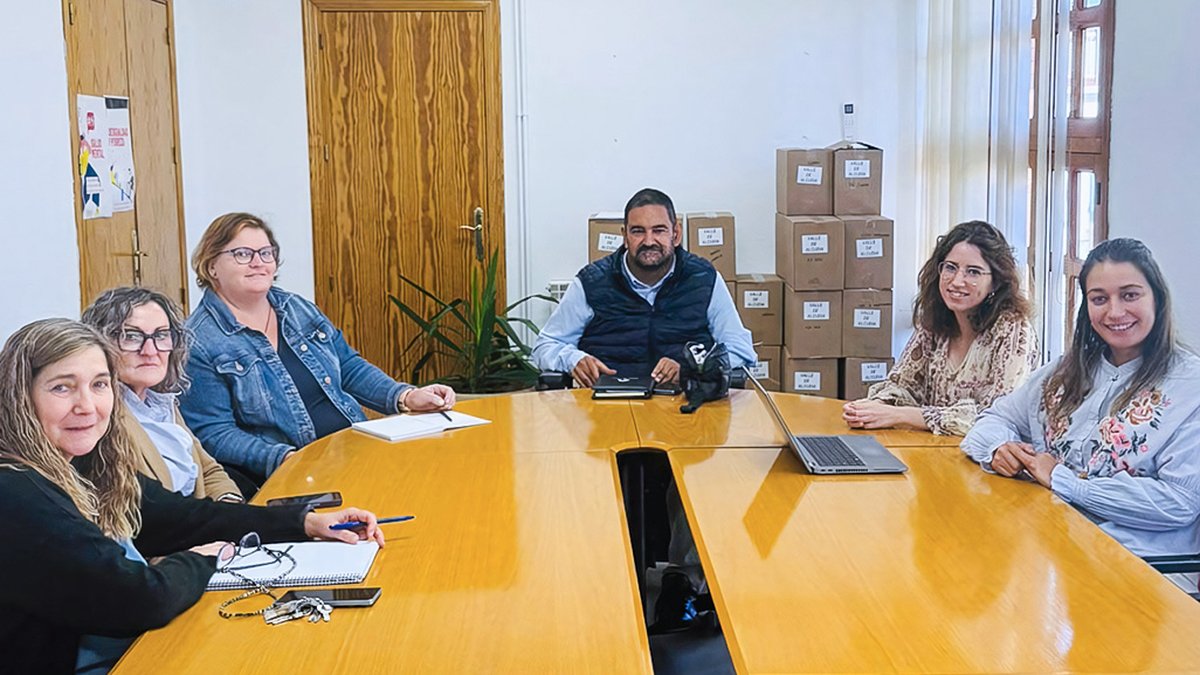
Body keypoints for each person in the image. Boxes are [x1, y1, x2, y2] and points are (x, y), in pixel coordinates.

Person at [0, 319, 385, 675]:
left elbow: (183, 517)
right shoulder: (16, 491)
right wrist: (201, 560)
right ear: (20, 397)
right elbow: (140, 599)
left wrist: (304, 522)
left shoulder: (84, 464)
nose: (87, 406)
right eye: (62, 388)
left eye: (99, 385)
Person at [962, 238, 1200, 559]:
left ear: (1157, 298)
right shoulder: (1065, 370)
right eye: (1099, 299)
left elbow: (1180, 502)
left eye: (1130, 295)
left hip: (1136, 566)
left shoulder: (1190, 385)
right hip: (1050, 544)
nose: (1115, 312)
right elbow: (992, 419)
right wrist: (999, 448)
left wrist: (1067, 482)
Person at [179, 212, 456, 481]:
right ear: (211, 266)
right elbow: (214, 433)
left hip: (356, 445)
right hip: (294, 472)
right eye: (242, 254)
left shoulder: (297, 308)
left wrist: (406, 396)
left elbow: (348, 367)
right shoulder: (199, 341)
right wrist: (286, 458)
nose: (258, 262)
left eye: (266, 253)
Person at [532, 187, 756, 386]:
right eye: (638, 231)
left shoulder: (703, 278)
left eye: (659, 230)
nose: (649, 241)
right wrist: (573, 360)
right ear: (625, 236)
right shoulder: (592, 282)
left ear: (676, 234)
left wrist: (691, 369)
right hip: (608, 406)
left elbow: (740, 349)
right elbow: (545, 345)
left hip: (683, 404)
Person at [843, 220, 1037, 436]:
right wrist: (873, 408)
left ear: (996, 281)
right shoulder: (936, 322)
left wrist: (899, 415)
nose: (957, 281)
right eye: (950, 268)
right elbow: (902, 384)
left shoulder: (1014, 330)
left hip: (986, 454)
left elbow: (994, 417)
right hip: (935, 448)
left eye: (973, 272)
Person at [82, 287, 244, 501]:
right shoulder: (99, 414)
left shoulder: (162, 403)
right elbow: (152, 506)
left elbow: (209, 471)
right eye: (131, 336)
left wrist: (229, 503)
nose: (150, 351)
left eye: (161, 335)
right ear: (101, 343)